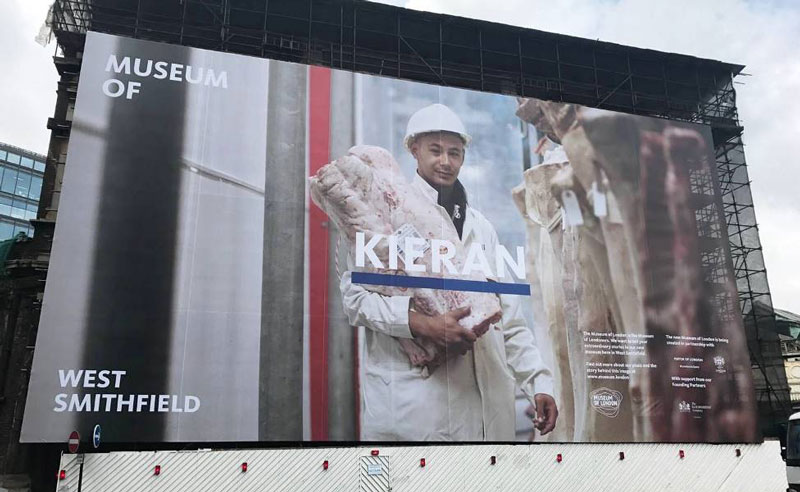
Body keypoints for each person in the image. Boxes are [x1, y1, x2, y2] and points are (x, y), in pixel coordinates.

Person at [340, 103, 557, 441]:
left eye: (454, 152)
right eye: (435, 150)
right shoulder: (384, 215)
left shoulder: (480, 227)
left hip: (487, 417)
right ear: (414, 150)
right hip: (419, 412)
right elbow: (354, 299)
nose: (445, 161)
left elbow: (510, 322)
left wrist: (538, 384)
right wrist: (422, 324)